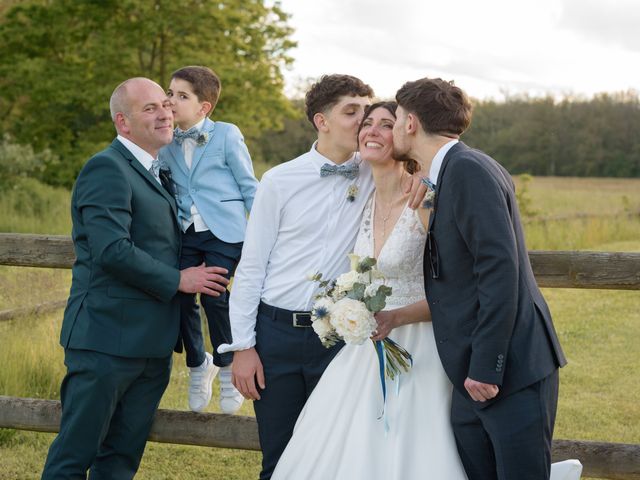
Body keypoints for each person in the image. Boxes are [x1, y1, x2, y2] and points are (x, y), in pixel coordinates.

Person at [41, 77, 229, 480]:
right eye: (151, 108)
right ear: (123, 123)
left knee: (120, 462)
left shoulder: (160, 170)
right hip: (106, 341)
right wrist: (180, 280)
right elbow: (111, 251)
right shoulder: (105, 168)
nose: (165, 112)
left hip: (152, 346)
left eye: (166, 103)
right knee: (74, 457)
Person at [271, 102, 469, 479]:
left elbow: (457, 285)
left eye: (386, 124)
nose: (373, 131)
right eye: (367, 123)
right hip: (366, 348)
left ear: (403, 135)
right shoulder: (359, 197)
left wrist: (395, 316)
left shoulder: (424, 199)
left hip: (421, 344)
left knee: (411, 445)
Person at [392, 77, 567, 480]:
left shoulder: (468, 169)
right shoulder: (451, 170)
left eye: (398, 117)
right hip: (472, 375)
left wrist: (487, 368)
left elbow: (499, 270)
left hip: (509, 371)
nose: (395, 126)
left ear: (412, 123)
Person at [218, 74, 375, 480]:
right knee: (280, 457)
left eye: (367, 109)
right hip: (276, 337)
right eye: (351, 111)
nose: (363, 119)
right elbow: (250, 268)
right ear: (322, 121)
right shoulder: (278, 181)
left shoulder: (377, 175)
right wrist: (243, 347)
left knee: (334, 455)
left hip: (341, 338)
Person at [160, 65, 257, 414]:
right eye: (169, 93)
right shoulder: (166, 140)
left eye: (181, 96)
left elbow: (249, 187)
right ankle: (199, 364)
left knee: (215, 296)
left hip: (224, 232)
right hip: (186, 233)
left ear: (204, 107)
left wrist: (262, 236)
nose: (170, 101)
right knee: (181, 297)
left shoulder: (227, 134)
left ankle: (228, 365)